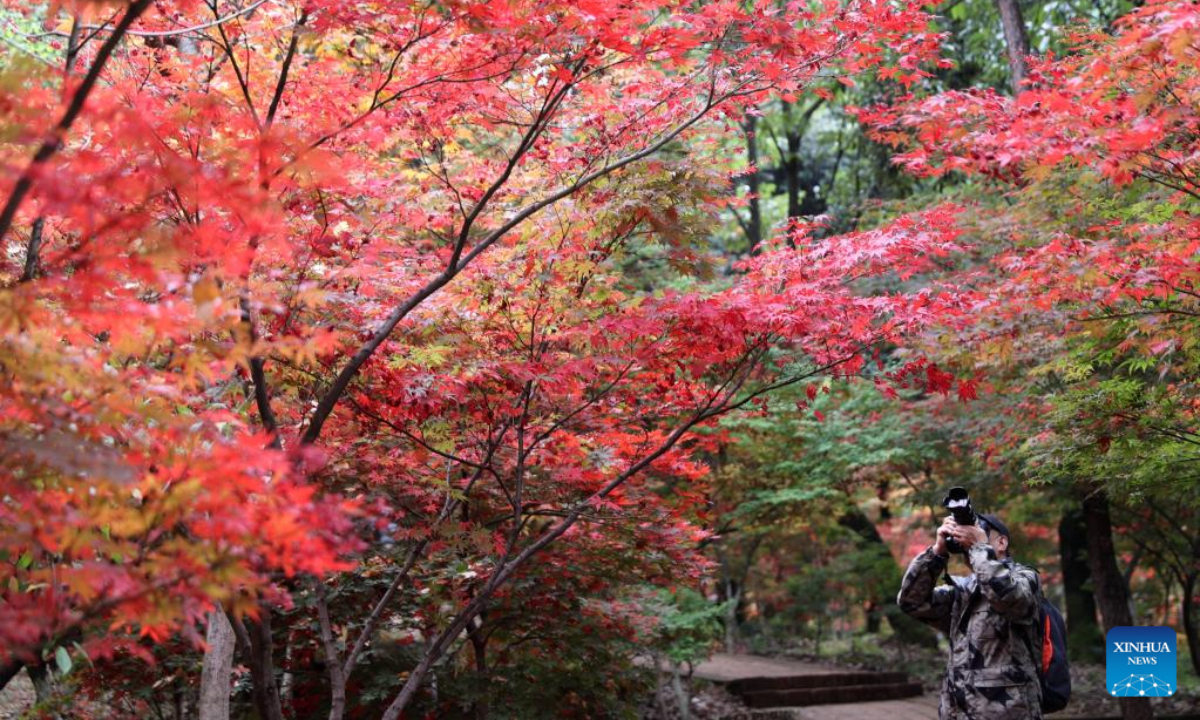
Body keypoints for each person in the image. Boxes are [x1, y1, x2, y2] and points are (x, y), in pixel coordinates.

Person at [897, 511, 1043, 720]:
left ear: (1001, 543)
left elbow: (1008, 598)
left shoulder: (1025, 578)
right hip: (957, 711)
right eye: (964, 533)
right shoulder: (962, 591)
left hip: (1009, 712)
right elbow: (910, 602)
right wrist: (937, 552)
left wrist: (978, 547)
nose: (969, 537)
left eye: (978, 532)